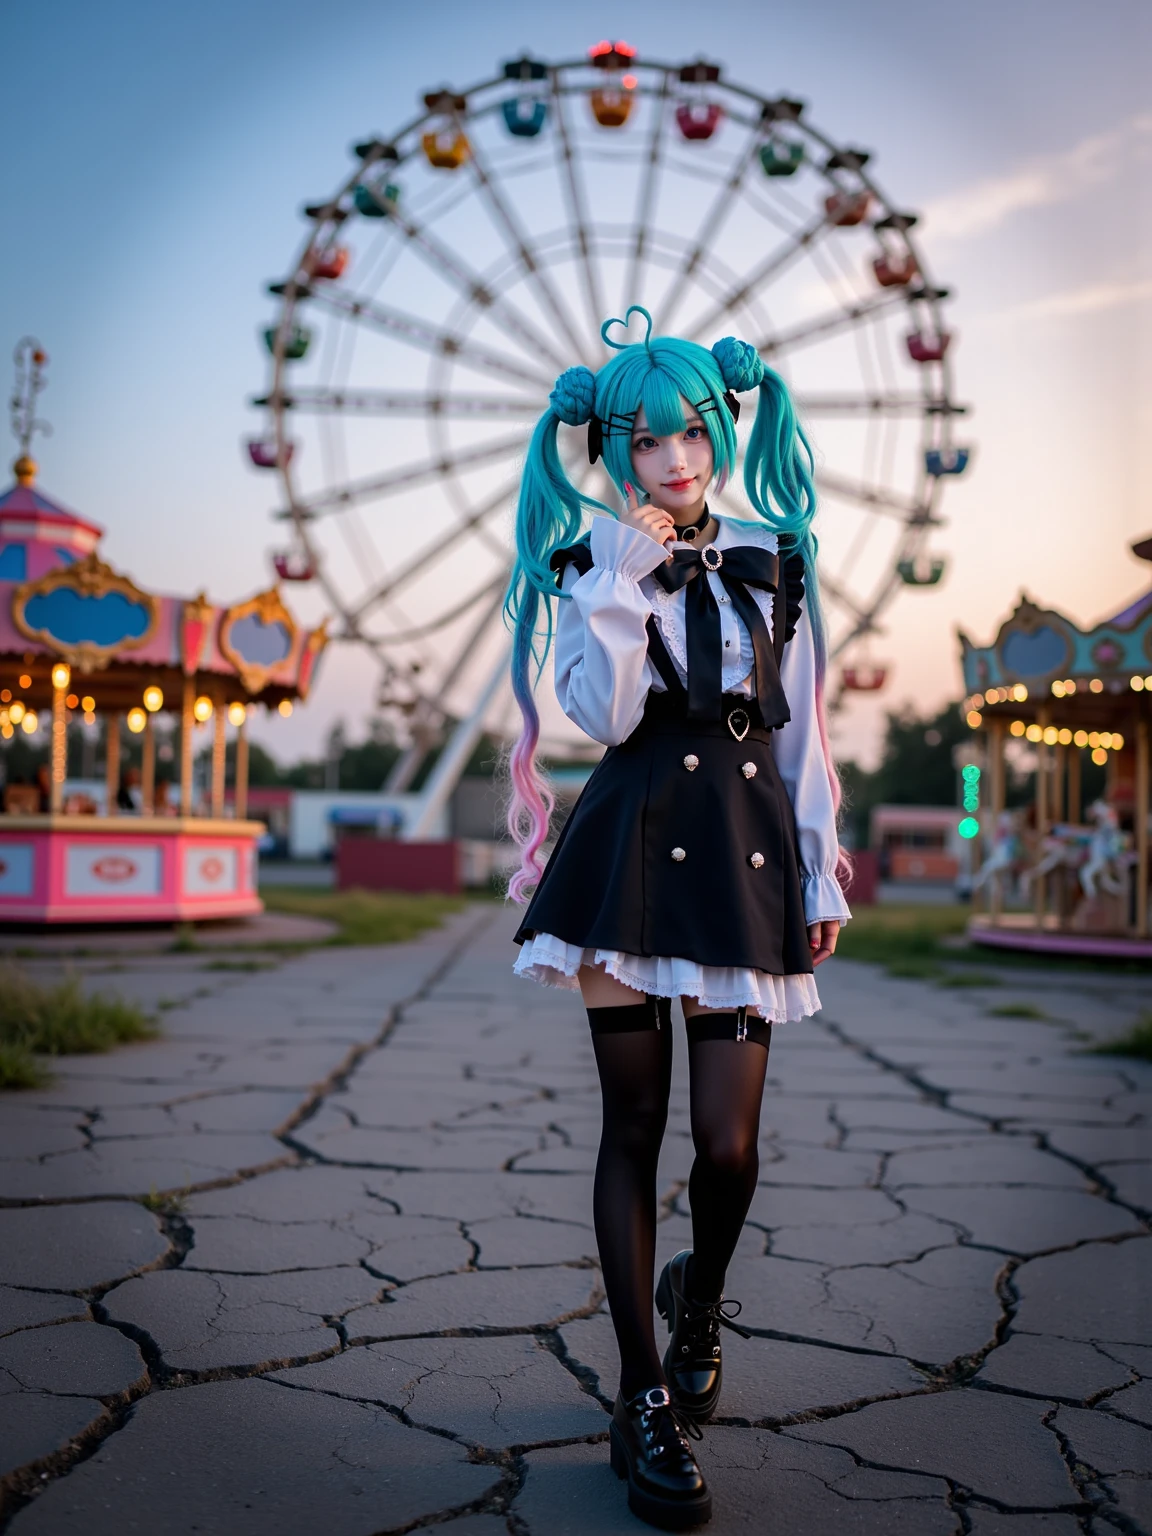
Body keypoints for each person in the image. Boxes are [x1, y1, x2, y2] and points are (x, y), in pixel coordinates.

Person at [505, 307, 849, 1531]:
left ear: (722, 429)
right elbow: (600, 716)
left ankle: (697, 1301)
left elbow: (806, 728)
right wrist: (620, 579)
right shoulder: (591, 561)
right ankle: (642, 1396)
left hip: (746, 856)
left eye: (692, 434)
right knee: (634, 1126)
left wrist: (821, 870)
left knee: (731, 1145)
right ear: (611, 453)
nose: (674, 462)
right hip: (632, 854)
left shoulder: (781, 553)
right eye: (645, 444)